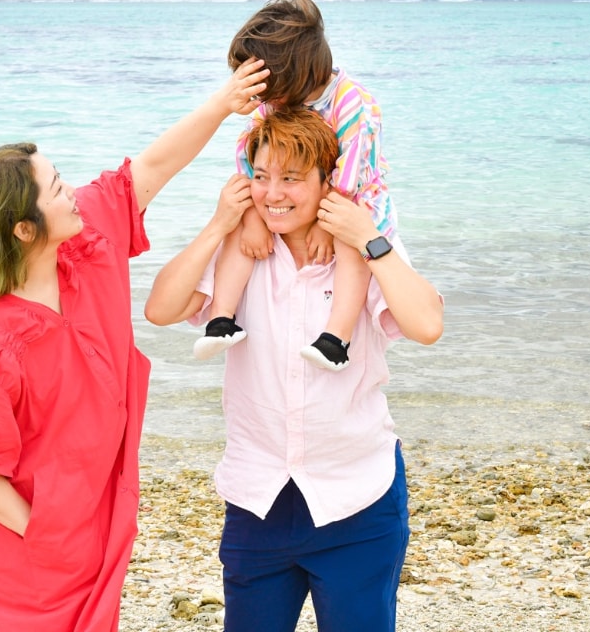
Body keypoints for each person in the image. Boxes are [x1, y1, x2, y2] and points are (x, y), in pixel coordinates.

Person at [0, 57, 269, 632]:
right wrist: (48, 534)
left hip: (97, 512)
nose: (72, 192)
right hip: (33, 548)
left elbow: (149, 169)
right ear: (24, 229)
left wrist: (223, 102)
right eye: (57, 188)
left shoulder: (87, 244)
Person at [144, 107, 443, 632]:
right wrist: (220, 223)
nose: (272, 193)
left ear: (329, 182)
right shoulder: (245, 248)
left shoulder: (364, 251)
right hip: (257, 499)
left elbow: (426, 325)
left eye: (290, 179)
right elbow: (161, 309)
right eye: (260, 177)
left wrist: (371, 238)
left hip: (358, 498)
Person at [193, 0, 397, 372]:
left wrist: (324, 224)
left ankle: (336, 339)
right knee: (241, 223)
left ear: (298, 74)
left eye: (266, 87)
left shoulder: (351, 102)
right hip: (298, 194)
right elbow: (249, 152)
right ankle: (221, 320)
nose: (260, 98)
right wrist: (253, 217)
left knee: (351, 248)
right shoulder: (278, 101)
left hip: (351, 197)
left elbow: (352, 173)